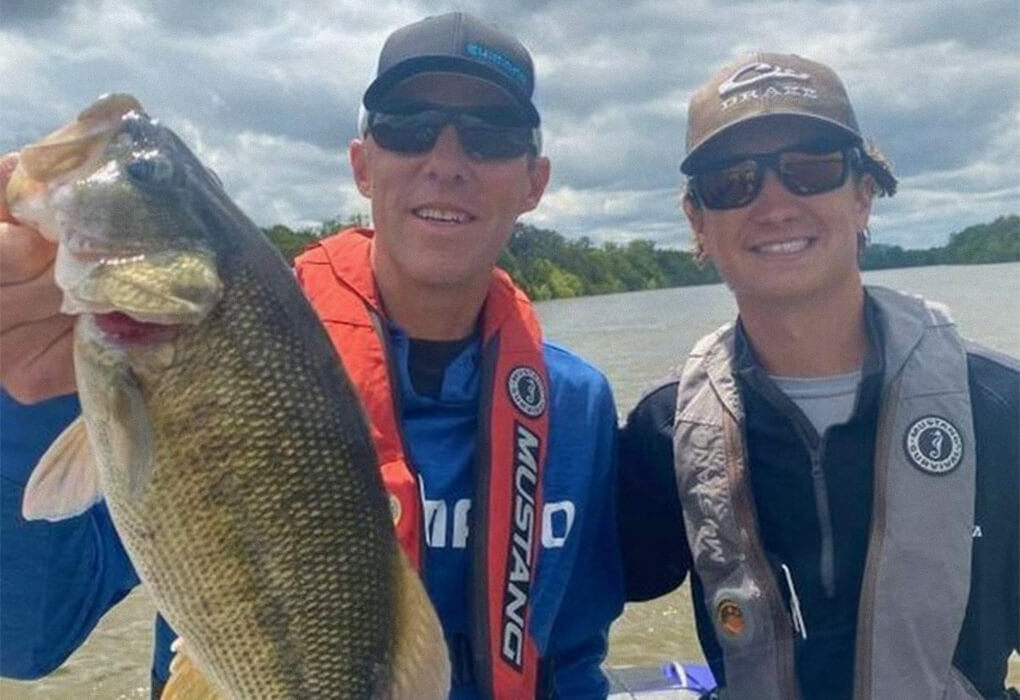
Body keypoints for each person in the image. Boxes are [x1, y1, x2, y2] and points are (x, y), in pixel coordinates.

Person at [0, 12, 624, 699]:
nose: (446, 162)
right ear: (362, 163)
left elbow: (571, 655)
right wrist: (23, 403)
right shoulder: (231, 363)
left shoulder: (575, 405)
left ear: (534, 182)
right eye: (408, 125)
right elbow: (27, 637)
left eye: (491, 137)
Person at [617, 53, 1019, 700]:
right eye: (733, 181)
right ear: (699, 222)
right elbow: (564, 594)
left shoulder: (1000, 408)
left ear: (863, 195)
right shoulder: (664, 428)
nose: (774, 203)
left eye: (810, 170)